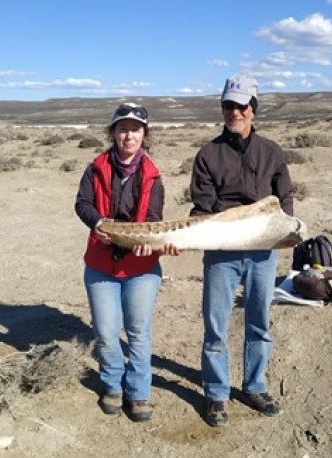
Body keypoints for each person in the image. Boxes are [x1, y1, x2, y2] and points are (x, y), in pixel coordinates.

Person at [189, 74, 295, 427]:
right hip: (222, 252)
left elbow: (285, 197)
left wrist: (284, 230)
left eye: (241, 105)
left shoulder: (272, 151)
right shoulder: (208, 154)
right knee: (216, 327)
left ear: (253, 109)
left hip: (264, 251)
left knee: (259, 324)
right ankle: (217, 394)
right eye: (228, 105)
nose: (235, 111)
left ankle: (254, 386)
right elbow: (203, 206)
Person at [75, 102, 179, 422]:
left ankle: (138, 392)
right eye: (123, 129)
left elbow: (153, 219)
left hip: (140, 269)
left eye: (135, 129)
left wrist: (150, 245)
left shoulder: (153, 175)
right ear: (113, 133)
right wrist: (98, 224)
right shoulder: (96, 168)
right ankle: (112, 385)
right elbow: (83, 203)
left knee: (138, 331)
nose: (128, 135)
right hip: (101, 265)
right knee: (106, 332)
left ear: (144, 134)